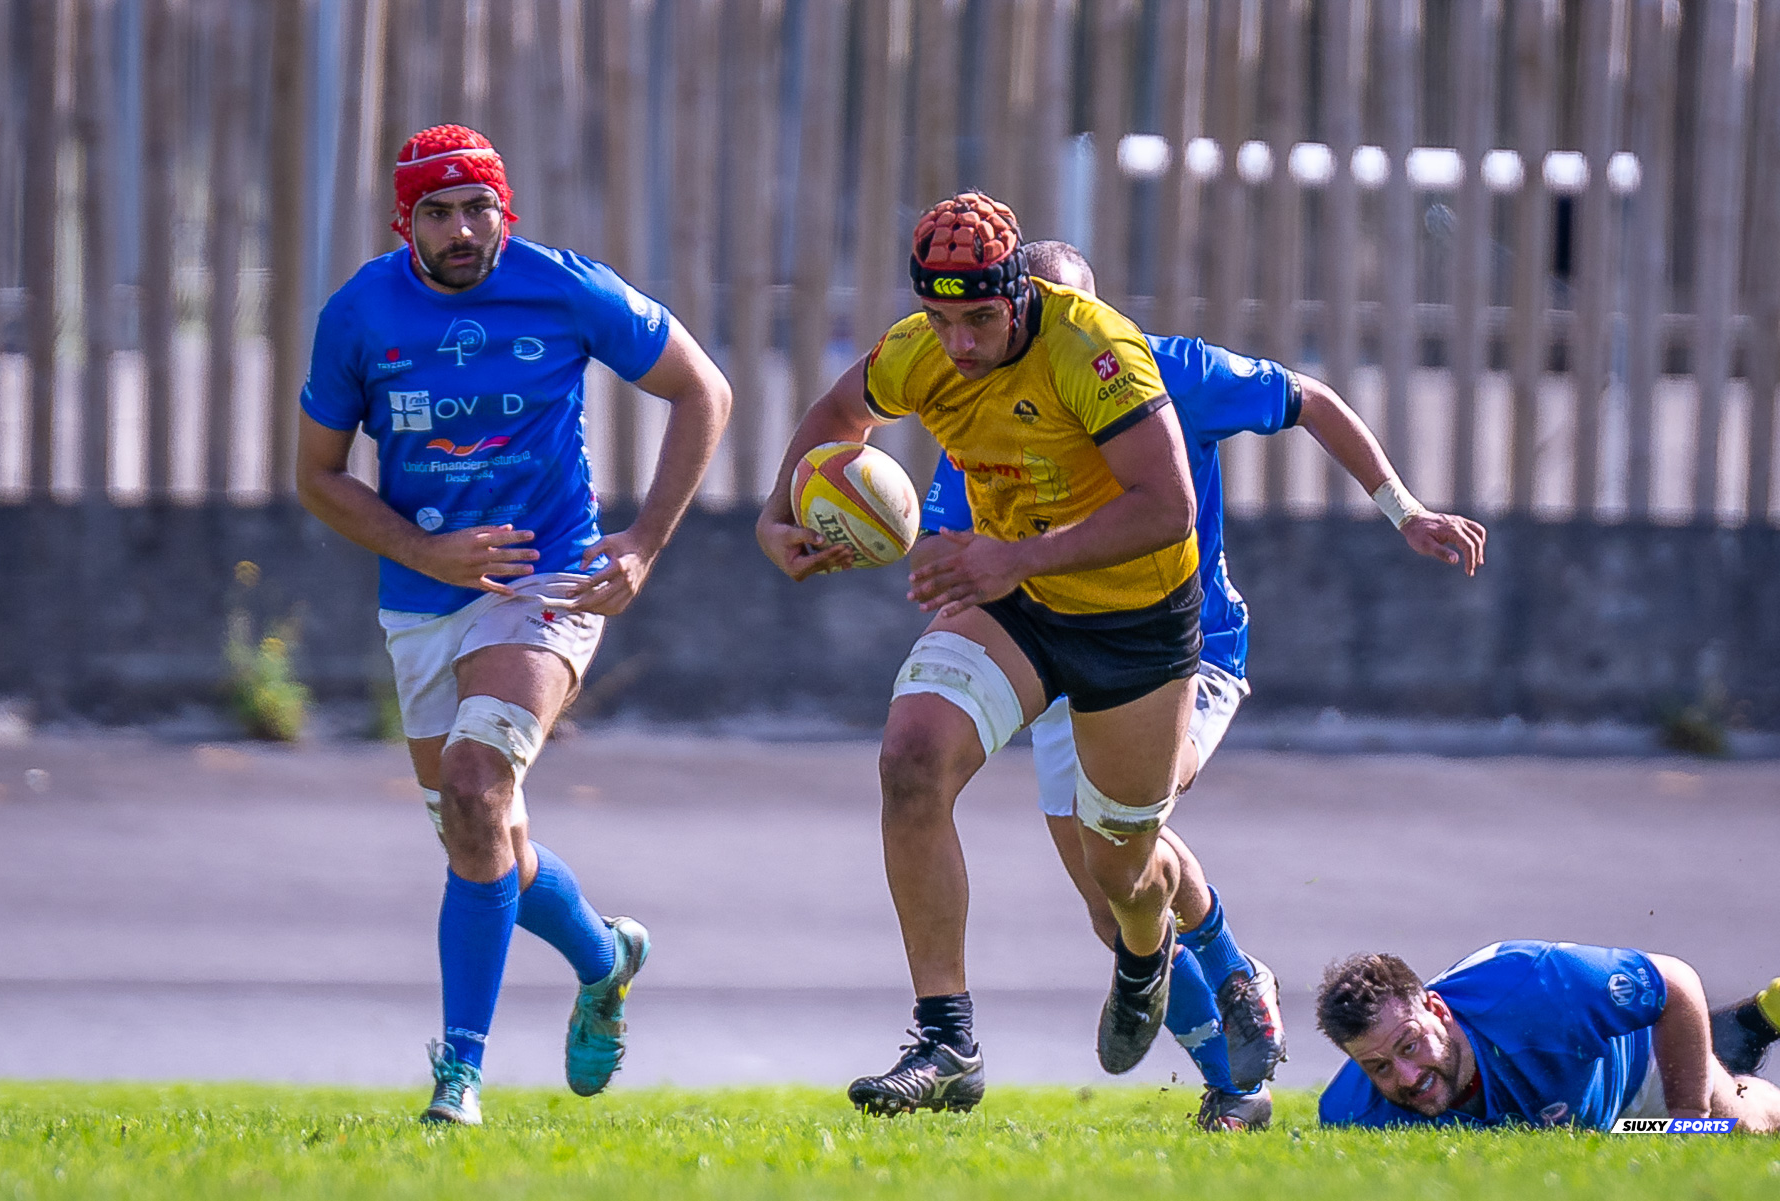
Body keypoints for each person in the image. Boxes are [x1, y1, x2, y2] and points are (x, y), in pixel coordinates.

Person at [917, 241, 1487, 1128]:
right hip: (1056, 654)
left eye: (1085, 320)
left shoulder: (1165, 373)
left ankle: (1230, 966)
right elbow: (948, 546)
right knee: (1113, 910)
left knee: (1135, 826)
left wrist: (1404, 510)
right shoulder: (987, 397)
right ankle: (1238, 1084)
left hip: (1188, 647)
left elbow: (1313, 400)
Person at [296, 125, 731, 1124]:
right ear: (404, 221)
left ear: (508, 210)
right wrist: (426, 553)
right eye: (437, 212)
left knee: (475, 782)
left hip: (550, 585)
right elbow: (315, 477)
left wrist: (644, 544)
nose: (460, 229)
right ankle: (606, 956)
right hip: (422, 597)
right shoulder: (359, 312)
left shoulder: (565, 286)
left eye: (476, 207)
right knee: (478, 834)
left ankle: (460, 1074)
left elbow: (703, 389)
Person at [758, 191, 1220, 1115]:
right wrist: (778, 515)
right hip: (1013, 600)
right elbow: (840, 409)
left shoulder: (1094, 350)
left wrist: (1018, 556)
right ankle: (946, 1038)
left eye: (979, 318)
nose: (959, 343)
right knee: (911, 759)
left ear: (1018, 294)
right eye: (940, 319)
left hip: (1133, 617)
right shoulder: (920, 349)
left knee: (1120, 865)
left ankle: (1143, 951)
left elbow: (1169, 505)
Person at [1316, 942, 1780, 1132]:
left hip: (1632, 1079)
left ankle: (1757, 1023)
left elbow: (1674, 983)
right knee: (1624, 1142)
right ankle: (1742, 1029)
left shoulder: (1535, 986)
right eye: (1378, 1067)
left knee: (1743, 1127)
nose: (1407, 1076)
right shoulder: (1351, 1114)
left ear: (1438, 1010)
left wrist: (1687, 1121)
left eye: (1409, 1045)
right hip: (1604, 1130)